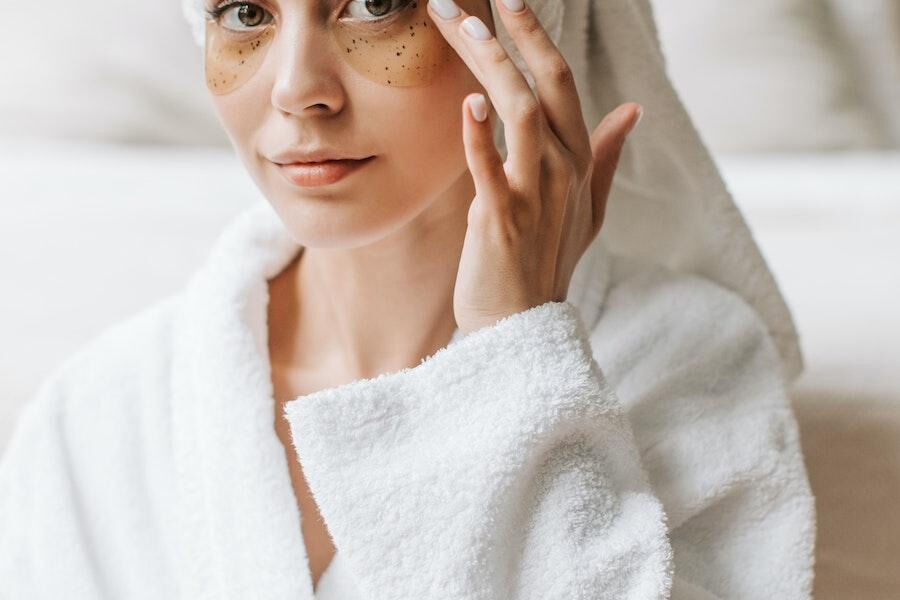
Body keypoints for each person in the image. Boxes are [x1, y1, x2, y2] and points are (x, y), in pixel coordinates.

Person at [0, 0, 816, 598]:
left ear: (524, 35)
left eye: (374, 5)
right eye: (244, 13)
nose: (296, 90)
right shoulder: (99, 414)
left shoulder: (691, 359)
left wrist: (511, 352)